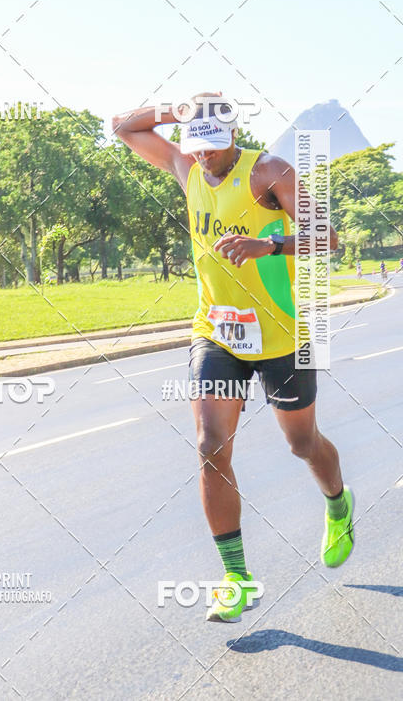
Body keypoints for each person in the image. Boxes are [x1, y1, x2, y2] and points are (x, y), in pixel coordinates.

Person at [113, 94, 354, 623]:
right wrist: (174, 112)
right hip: (216, 332)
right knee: (209, 445)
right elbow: (124, 128)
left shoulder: (270, 171)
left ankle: (337, 502)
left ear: (233, 135)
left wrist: (269, 246)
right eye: (195, 147)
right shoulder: (186, 165)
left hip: (282, 336)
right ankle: (236, 578)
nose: (203, 157)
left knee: (302, 444)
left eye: (212, 147)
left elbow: (329, 237)